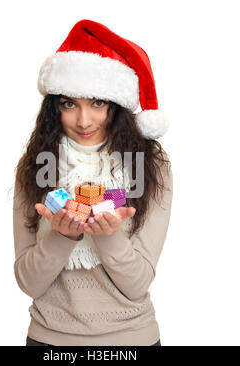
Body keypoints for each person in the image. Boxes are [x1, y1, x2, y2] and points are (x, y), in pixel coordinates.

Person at [12, 19, 173, 347]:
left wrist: (110, 237)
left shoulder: (151, 166)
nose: (83, 121)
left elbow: (137, 283)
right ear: (54, 108)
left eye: (97, 103)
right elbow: (28, 282)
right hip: (49, 341)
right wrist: (63, 236)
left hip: (131, 341)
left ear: (117, 106)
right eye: (70, 104)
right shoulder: (33, 167)